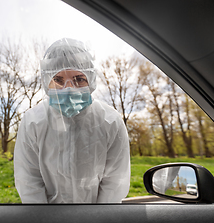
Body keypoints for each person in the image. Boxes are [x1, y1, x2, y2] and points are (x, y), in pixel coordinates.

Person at [14, 38, 130, 203]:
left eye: (79, 79)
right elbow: (28, 179)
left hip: (96, 221)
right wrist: (43, 222)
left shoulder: (110, 121)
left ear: (91, 80)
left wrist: (100, 222)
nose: (68, 88)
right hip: (48, 221)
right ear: (46, 82)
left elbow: (114, 182)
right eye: (58, 80)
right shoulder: (33, 121)